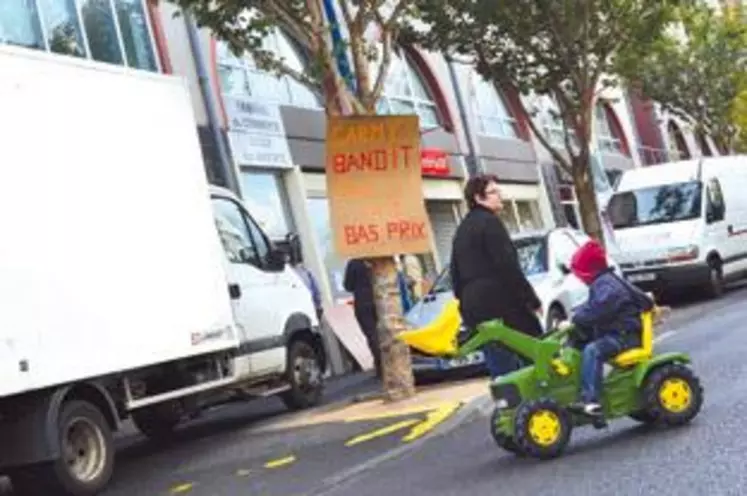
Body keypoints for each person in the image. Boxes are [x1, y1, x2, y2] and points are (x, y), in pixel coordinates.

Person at [450, 174, 544, 379]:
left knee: (497, 359)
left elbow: (454, 272)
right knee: (533, 348)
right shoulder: (490, 223)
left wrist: (464, 301)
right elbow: (508, 266)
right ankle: (539, 399)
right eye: (493, 192)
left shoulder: (462, 229)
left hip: (473, 305)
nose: (499, 196)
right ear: (478, 197)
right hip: (501, 302)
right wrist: (531, 300)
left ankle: (507, 402)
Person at [562, 239, 654, 417]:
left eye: (580, 274)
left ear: (588, 270)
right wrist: (575, 315)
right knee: (578, 343)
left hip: (624, 337)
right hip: (619, 333)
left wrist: (577, 318)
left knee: (592, 350)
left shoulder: (606, 285)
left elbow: (599, 308)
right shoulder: (606, 281)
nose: (580, 279)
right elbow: (591, 305)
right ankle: (585, 386)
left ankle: (591, 400)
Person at [343, 258, 382, 377]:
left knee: (372, 335)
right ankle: (389, 363)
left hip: (363, 302)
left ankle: (381, 366)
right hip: (380, 299)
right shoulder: (376, 258)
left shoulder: (353, 263)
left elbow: (348, 285)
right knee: (384, 333)